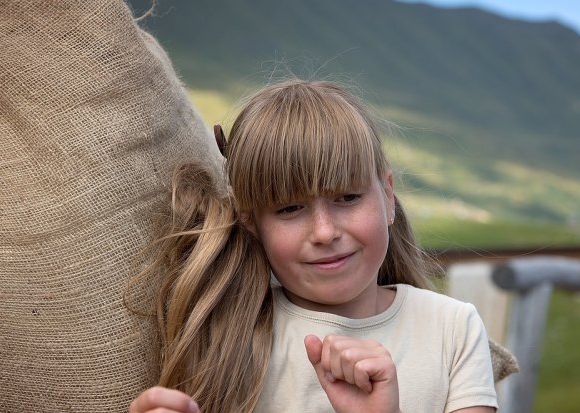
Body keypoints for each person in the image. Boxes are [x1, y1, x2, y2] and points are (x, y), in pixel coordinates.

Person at [128, 79, 498, 413]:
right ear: (252, 222)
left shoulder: (452, 328)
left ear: (387, 194)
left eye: (348, 198)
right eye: (289, 208)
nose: (324, 232)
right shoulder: (226, 337)